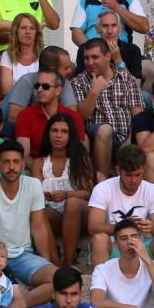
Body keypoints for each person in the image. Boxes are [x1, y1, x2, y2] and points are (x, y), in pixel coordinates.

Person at [0, 139, 58, 288]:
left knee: (58, 280)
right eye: (6, 162)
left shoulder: (33, 184)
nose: (11, 167)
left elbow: (39, 227)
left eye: (16, 162)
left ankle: (21, 305)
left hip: (22, 255)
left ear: (23, 164)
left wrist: (45, 261)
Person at [87, 144, 154, 271]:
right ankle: (100, 288)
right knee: (99, 239)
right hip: (114, 245)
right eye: (128, 175)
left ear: (144, 170)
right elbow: (93, 227)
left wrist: (152, 227)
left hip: (143, 245)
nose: (133, 180)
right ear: (118, 170)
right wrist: (124, 226)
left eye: (138, 175)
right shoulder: (103, 188)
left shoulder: (151, 190)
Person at [71, 38, 145, 180]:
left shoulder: (127, 80)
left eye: (95, 57)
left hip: (123, 138)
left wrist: (129, 140)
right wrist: (94, 91)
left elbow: (138, 117)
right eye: (86, 58)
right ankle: (102, 181)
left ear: (108, 56)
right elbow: (81, 117)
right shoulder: (78, 82)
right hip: (94, 135)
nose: (90, 62)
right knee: (105, 130)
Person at [30, 113, 95, 267]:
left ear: (70, 135)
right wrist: (45, 195)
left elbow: (89, 192)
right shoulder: (39, 162)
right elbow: (34, 194)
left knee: (72, 203)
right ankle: (54, 263)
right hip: (53, 213)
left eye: (64, 131)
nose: (58, 135)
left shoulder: (80, 158)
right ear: (48, 133)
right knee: (39, 211)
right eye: (54, 130)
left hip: (81, 214)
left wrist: (67, 194)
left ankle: (68, 260)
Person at [70, 0, 148, 68]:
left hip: (124, 53)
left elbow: (144, 27)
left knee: (153, 71)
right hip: (93, 56)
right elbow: (76, 34)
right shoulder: (85, 0)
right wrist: (94, 53)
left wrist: (117, 8)